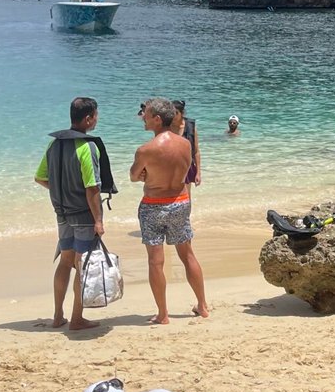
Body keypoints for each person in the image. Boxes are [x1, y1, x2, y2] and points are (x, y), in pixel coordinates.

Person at [34, 97, 117, 332]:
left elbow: (40, 178)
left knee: (65, 262)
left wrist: (62, 191)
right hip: (82, 214)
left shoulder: (54, 145)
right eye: (96, 115)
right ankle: (77, 318)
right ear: (89, 118)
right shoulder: (87, 147)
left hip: (61, 213)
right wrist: (98, 220)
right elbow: (92, 187)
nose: (97, 119)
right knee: (82, 265)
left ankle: (58, 315)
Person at [131, 97, 209, 322]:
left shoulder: (145, 150)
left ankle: (163, 314)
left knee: (156, 261)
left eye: (146, 115)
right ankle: (202, 306)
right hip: (181, 200)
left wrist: (146, 174)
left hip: (154, 205)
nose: (142, 118)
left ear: (157, 119)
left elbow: (134, 176)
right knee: (187, 254)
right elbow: (185, 168)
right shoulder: (184, 144)